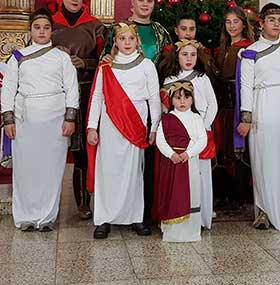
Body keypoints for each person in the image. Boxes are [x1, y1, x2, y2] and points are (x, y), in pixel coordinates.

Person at [1, 9, 79, 232]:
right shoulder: (18, 57)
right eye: (37, 27)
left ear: (52, 31)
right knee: (26, 169)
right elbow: (8, 90)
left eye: (46, 28)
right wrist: (8, 119)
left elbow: (72, 90)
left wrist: (70, 118)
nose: (42, 31)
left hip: (55, 121)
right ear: (30, 30)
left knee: (51, 170)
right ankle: (25, 216)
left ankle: (46, 217)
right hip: (25, 119)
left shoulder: (62, 58)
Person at [87, 22, 162, 239]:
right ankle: (104, 219)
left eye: (131, 38)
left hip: (136, 122)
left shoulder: (147, 65)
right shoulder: (106, 67)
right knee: (108, 171)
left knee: (133, 172)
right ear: (115, 41)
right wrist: (92, 127)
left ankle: (135, 217)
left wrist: (154, 126)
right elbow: (97, 98)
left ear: (137, 41)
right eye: (122, 38)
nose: (127, 43)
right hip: (110, 123)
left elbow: (154, 97)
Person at [237, 3, 280, 231]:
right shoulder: (251, 52)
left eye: (279, 20)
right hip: (262, 108)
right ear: (261, 23)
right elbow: (246, 86)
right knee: (263, 161)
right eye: (271, 20)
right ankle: (264, 212)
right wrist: (246, 117)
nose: (276, 24)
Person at [48, 0, 107, 221]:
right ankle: (46, 201)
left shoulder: (95, 26)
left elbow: (106, 60)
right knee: (53, 147)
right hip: (55, 93)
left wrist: (85, 64)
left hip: (85, 90)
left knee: (82, 148)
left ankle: (84, 202)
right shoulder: (49, 24)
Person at [160, 40, 218, 229]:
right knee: (182, 176)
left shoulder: (203, 78)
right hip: (178, 136)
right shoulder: (169, 80)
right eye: (184, 54)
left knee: (201, 176)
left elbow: (212, 105)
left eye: (193, 54)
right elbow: (165, 108)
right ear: (177, 56)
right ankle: (182, 216)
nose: (189, 58)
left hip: (200, 131)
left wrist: (201, 127)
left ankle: (202, 218)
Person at [152, 81, 208, 242]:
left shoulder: (196, 118)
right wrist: (171, 154)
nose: (182, 102)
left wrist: (189, 153)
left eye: (186, 97)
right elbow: (161, 140)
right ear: (171, 100)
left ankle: (191, 232)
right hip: (172, 164)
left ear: (192, 99)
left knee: (191, 194)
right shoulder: (167, 119)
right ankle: (172, 232)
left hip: (189, 163)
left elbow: (202, 140)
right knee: (172, 193)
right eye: (178, 98)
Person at [213, 7, 255, 209]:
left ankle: (240, 196)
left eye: (235, 22)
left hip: (238, 105)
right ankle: (226, 194)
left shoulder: (248, 49)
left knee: (239, 150)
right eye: (228, 22)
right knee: (224, 150)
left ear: (243, 24)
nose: (232, 26)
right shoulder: (221, 50)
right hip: (222, 107)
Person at [102, 0, 171, 64]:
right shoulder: (118, 28)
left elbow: (168, 62)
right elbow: (105, 56)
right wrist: (107, 59)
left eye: (149, 1)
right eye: (140, 0)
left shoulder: (161, 31)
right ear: (133, 2)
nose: (145, 4)